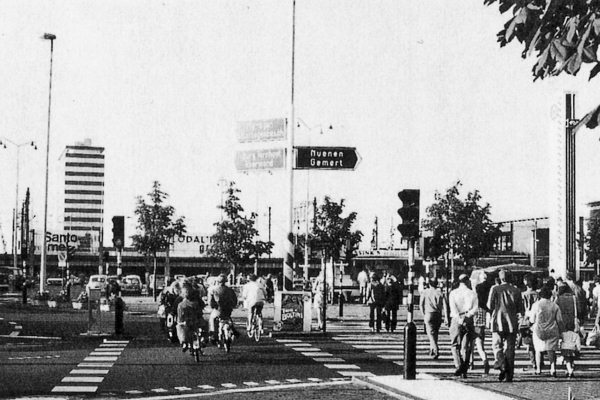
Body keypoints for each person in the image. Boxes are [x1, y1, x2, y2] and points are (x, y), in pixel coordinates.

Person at [487, 269, 524, 382]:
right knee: (510, 348)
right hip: (511, 321)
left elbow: (489, 305)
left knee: (497, 345)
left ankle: (501, 363)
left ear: (500, 278)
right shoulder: (516, 290)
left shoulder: (495, 289)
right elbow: (520, 308)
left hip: (497, 321)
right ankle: (509, 374)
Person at [528, 286, 563, 377]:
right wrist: (561, 331)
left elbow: (532, 320)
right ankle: (553, 369)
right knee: (551, 350)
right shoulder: (554, 306)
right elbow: (559, 320)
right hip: (552, 330)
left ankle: (538, 369)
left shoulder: (536, 305)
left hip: (538, 330)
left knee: (538, 350)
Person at [448, 273, 478, 378]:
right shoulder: (472, 293)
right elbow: (475, 308)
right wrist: (467, 316)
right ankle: (464, 368)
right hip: (468, 320)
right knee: (467, 345)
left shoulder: (453, 293)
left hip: (456, 320)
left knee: (455, 344)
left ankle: (458, 365)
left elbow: (453, 308)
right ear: (467, 281)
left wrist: (459, 318)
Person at [555, 284, 579, 377]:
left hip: (562, 322)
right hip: (572, 321)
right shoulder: (573, 298)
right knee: (572, 341)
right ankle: (571, 364)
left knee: (565, 342)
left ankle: (568, 365)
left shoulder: (558, 298)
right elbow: (578, 309)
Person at [419, 277, 446, 359]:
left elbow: (421, 304)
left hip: (429, 313)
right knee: (435, 333)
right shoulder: (440, 293)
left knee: (430, 334)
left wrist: (423, 314)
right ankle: (432, 350)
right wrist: (446, 317)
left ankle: (436, 349)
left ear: (429, 284)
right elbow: (445, 306)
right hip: (438, 314)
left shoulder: (425, 292)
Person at [176, 284, 207, 351]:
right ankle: (204, 338)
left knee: (179, 327)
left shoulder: (181, 304)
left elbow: (180, 317)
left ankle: (183, 342)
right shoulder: (197, 301)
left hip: (186, 322)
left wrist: (180, 321)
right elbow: (202, 308)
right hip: (197, 321)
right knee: (205, 324)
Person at [472, 272, 492, 374]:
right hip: (484, 315)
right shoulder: (490, 287)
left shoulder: (478, 287)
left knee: (471, 343)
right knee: (480, 344)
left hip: (475, 316)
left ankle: (471, 362)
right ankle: (485, 359)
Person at [520, 274, 539, 372]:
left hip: (526, 319)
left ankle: (533, 362)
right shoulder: (537, 294)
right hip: (536, 319)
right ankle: (539, 361)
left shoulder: (523, 294)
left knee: (529, 343)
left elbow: (521, 309)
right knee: (537, 342)